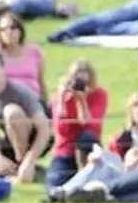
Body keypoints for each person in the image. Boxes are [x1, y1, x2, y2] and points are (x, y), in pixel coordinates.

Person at [51, 89, 138, 203]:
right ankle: (66, 191)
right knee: (98, 165)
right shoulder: (122, 136)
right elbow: (114, 157)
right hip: (124, 171)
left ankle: (95, 192)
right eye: (136, 106)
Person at [0, 48, 50, 183]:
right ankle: (11, 172)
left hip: (36, 138)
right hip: (9, 138)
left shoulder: (19, 92)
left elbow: (45, 129)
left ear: (3, 70)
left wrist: (29, 160)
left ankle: (24, 164)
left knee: (11, 112)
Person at [46, 58, 107, 192]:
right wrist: (62, 100)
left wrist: (82, 102)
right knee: (54, 186)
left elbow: (92, 127)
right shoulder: (61, 97)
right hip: (65, 149)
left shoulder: (99, 95)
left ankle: (86, 181)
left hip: (88, 148)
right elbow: (61, 130)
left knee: (86, 137)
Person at [0, 11, 45, 101]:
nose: (8, 32)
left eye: (12, 28)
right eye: (3, 29)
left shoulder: (35, 52)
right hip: (5, 100)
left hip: (32, 100)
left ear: (20, 30)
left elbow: (41, 82)